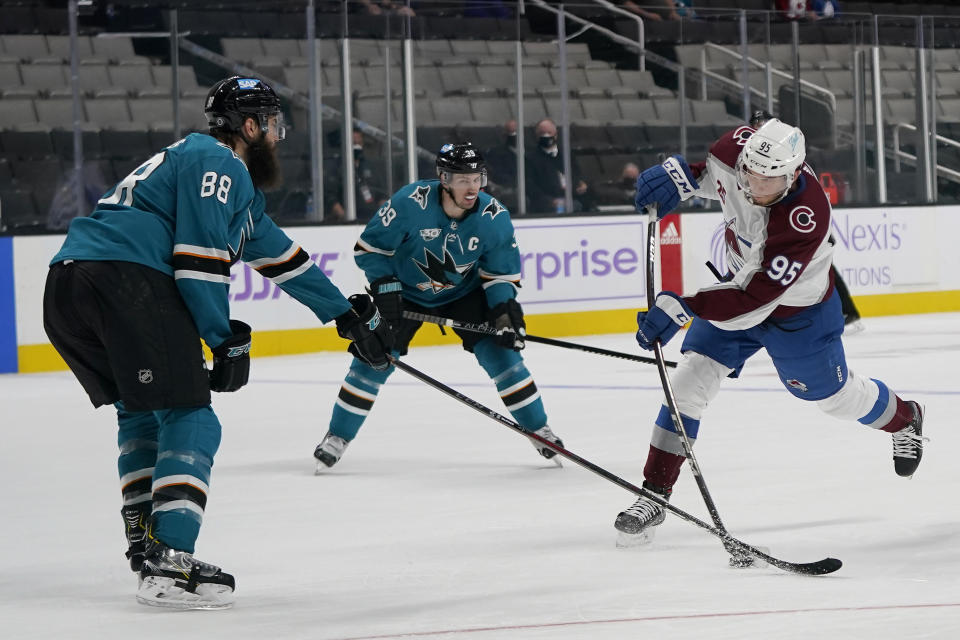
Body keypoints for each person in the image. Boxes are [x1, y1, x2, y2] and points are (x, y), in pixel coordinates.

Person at [42, 76, 392, 609]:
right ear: (249, 127)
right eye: (271, 125)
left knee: (140, 414)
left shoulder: (219, 179)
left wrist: (345, 316)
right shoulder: (218, 161)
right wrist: (222, 338)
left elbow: (281, 257)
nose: (277, 135)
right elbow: (198, 257)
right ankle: (169, 560)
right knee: (192, 415)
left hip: (67, 285)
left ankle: (147, 546)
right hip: (125, 280)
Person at [614, 118, 925, 543]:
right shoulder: (733, 152)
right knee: (687, 384)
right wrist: (680, 177)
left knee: (835, 400)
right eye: (750, 173)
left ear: (794, 173)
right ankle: (654, 494)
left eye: (768, 180)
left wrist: (686, 307)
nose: (754, 185)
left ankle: (905, 418)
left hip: (796, 314)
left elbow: (755, 295)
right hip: (736, 290)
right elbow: (712, 177)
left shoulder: (805, 216)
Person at [314, 142, 564, 471]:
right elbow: (369, 250)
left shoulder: (494, 216)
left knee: (505, 357)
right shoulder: (409, 203)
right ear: (444, 179)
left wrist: (504, 310)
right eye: (463, 180)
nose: (472, 187)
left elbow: (500, 274)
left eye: (477, 178)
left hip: (464, 294)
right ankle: (338, 437)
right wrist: (386, 288)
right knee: (373, 358)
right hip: (403, 293)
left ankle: (539, 430)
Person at [751, 110, 863, 332]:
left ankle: (848, 311)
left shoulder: (787, 153)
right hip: (784, 223)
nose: (758, 129)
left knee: (824, 269)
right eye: (756, 125)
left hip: (805, 222)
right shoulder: (754, 154)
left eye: (762, 125)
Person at [525, 118, 593, 214]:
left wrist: (581, 184)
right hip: (546, 204)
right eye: (542, 133)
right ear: (537, 136)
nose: (546, 136)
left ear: (556, 135)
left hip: (572, 199)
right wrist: (550, 201)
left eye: (549, 132)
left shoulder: (567, 155)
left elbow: (578, 175)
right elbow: (530, 187)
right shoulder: (530, 158)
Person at [483, 119, 520, 213]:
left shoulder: (530, 152)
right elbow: (497, 174)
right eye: (511, 132)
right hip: (509, 190)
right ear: (504, 135)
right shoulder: (496, 154)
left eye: (516, 132)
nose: (514, 135)